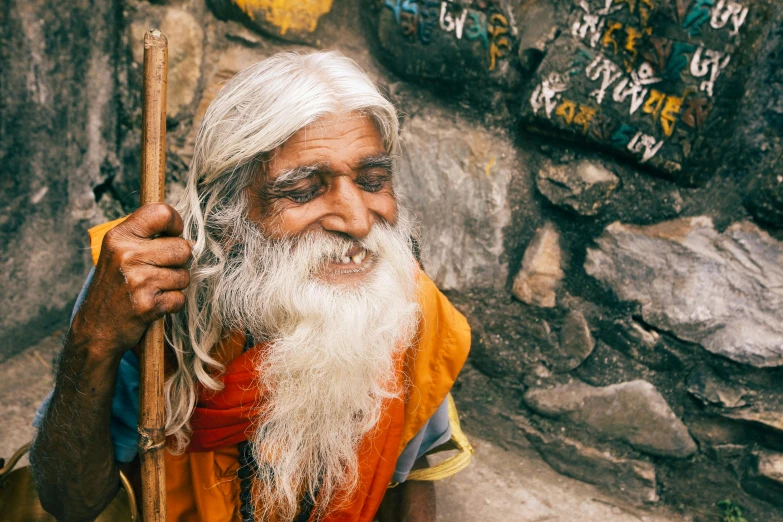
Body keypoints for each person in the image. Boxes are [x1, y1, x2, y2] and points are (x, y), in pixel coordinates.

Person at [30, 51, 471, 522]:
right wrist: (93, 340)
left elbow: (410, 476)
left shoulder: (402, 303)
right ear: (229, 213)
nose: (359, 221)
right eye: (303, 190)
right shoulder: (142, 294)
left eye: (373, 180)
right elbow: (70, 503)